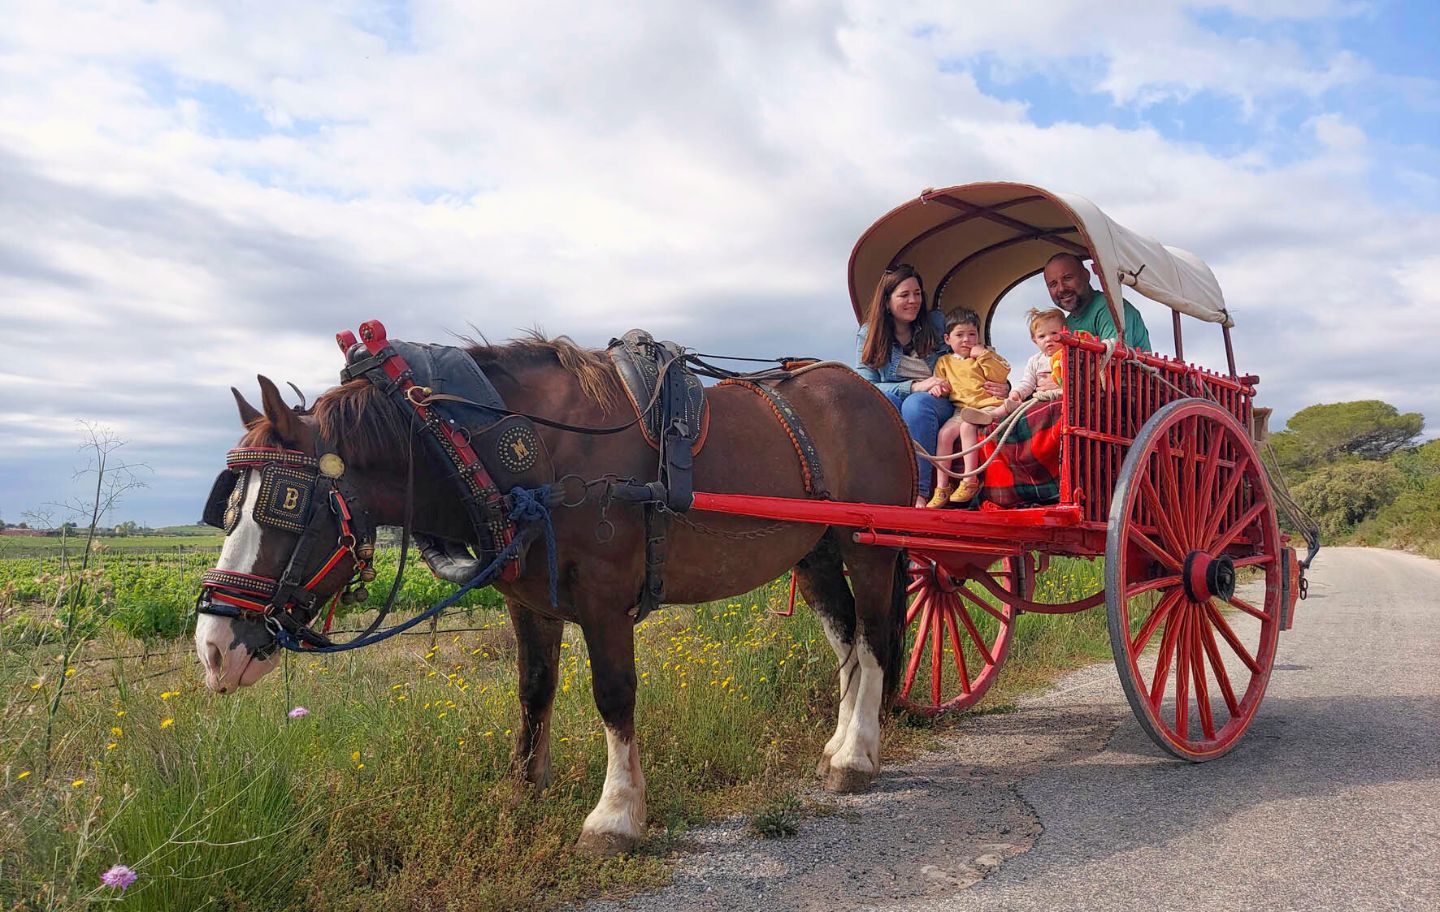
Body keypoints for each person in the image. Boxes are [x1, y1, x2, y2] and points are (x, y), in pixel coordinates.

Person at [855, 264, 952, 505]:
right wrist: (914, 385)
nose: (913, 301)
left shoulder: (936, 324)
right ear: (887, 302)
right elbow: (867, 385)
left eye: (917, 293)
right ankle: (881, 485)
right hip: (903, 398)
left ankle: (918, 494)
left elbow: (962, 357)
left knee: (917, 405)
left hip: (938, 399)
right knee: (886, 402)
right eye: (904, 295)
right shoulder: (870, 334)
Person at [926, 311, 1010, 508]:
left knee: (966, 427)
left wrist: (983, 355)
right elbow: (944, 385)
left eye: (972, 334)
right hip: (961, 409)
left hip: (986, 404)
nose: (966, 340)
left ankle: (969, 480)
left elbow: (1000, 375)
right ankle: (942, 488)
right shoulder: (944, 362)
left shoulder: (984, 355)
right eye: (960, 335)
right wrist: (938, 387)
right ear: (947, 339)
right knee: (945, 435)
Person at [1043, 252, 1151, 351]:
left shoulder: (1110, 308)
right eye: (1053, 284)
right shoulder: (1066, 323)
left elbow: (1113, 360)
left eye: (1067, 278)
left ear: (1086, 275)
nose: (1061, 288)